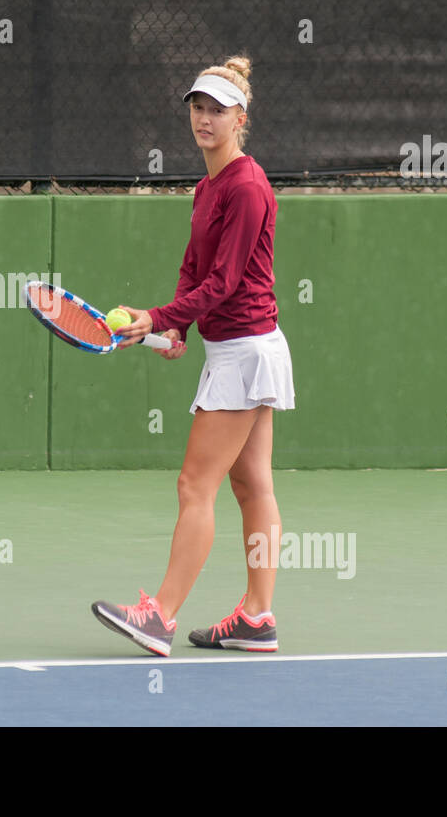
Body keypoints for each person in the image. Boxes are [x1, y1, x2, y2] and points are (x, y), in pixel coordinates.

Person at [91, 56, 295, 656]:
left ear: (241, 118)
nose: (204, 119)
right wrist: (178, 325)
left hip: (245, 354)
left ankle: (160, 616)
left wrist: (159, 317)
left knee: (193, 486)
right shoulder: (209, 187)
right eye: (197, 108)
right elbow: (195, 270)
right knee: (253, 486)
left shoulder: (248, 186)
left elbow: (227, 280)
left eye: (217, 110)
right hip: (238, 349)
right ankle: (258, 617)